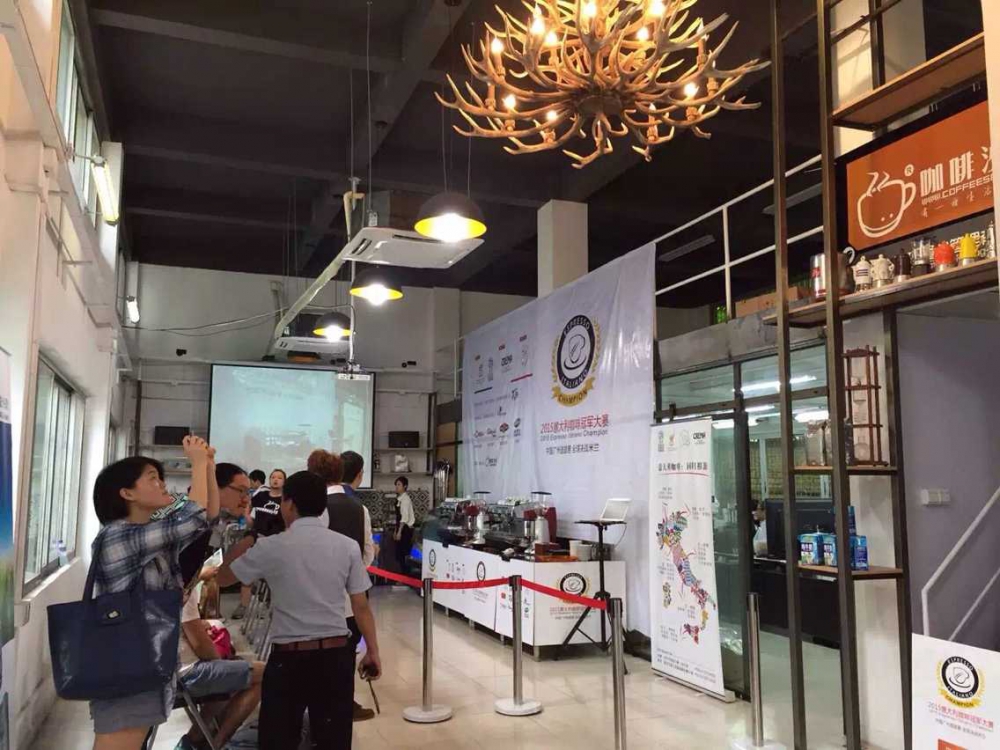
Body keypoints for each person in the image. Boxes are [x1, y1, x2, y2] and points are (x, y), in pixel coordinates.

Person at [216, 471, 382, 750]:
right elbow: (361, 606)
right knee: (333, 742)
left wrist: (250, 539)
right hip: (336, 658)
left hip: (288, 659)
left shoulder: (271, 546)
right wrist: (373, 652)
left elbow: (223, 578)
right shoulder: (347, 546)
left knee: (279, 740)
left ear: (289, 504)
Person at [87, 436, 220, 750]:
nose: (162, 484)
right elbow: (194, 517)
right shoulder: (118, 535)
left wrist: (207, 467)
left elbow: (206, 517)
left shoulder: (150, 531)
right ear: (127, 493)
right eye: (152, 478)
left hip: (147, 662)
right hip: (127, 666)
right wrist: (196, 463)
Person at [307, 450, 376, 722]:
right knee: (345, 655)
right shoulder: (360, 509)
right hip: (349, 600)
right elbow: (367, 554)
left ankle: (317, 707)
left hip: (313, 599)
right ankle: (344, 705)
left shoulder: (310, 508)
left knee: (316, 657)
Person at [176, 580, 265, 750]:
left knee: (235, 671)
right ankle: (218, 744)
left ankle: (198, 737)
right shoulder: (183, 588)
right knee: (265, 673)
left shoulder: (158, 583)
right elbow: (201, 646)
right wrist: (223, 663)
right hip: (188, 674)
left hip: (166, 673)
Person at [215, 463, 254, 619]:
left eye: (248, 493)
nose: (246, 499)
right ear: (215, 487)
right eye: (241, 491)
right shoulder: (192, 525)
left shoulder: (220, 522)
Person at [250, 469, 286, 539]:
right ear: (269, 480)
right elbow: (248, 506)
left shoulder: (285, 500)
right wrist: (247, 517)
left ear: (284, 482)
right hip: (256, 537)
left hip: (274, 539)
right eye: (273, 477)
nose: (276, 480)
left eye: (279, 478)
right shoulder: (260, 495)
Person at [394, 476, 415, 574]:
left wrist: (399, 532)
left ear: (405, 486)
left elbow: (404, 518)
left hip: (405, 530)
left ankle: (406, 577)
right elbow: (398, 518)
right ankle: (402, 576)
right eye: (396, 484)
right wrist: (396, 530)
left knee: (404, 554)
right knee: (400, 555)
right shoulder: (399, 499)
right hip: (401, 528)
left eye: (399, 484)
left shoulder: (405, 499)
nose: (396, 486)